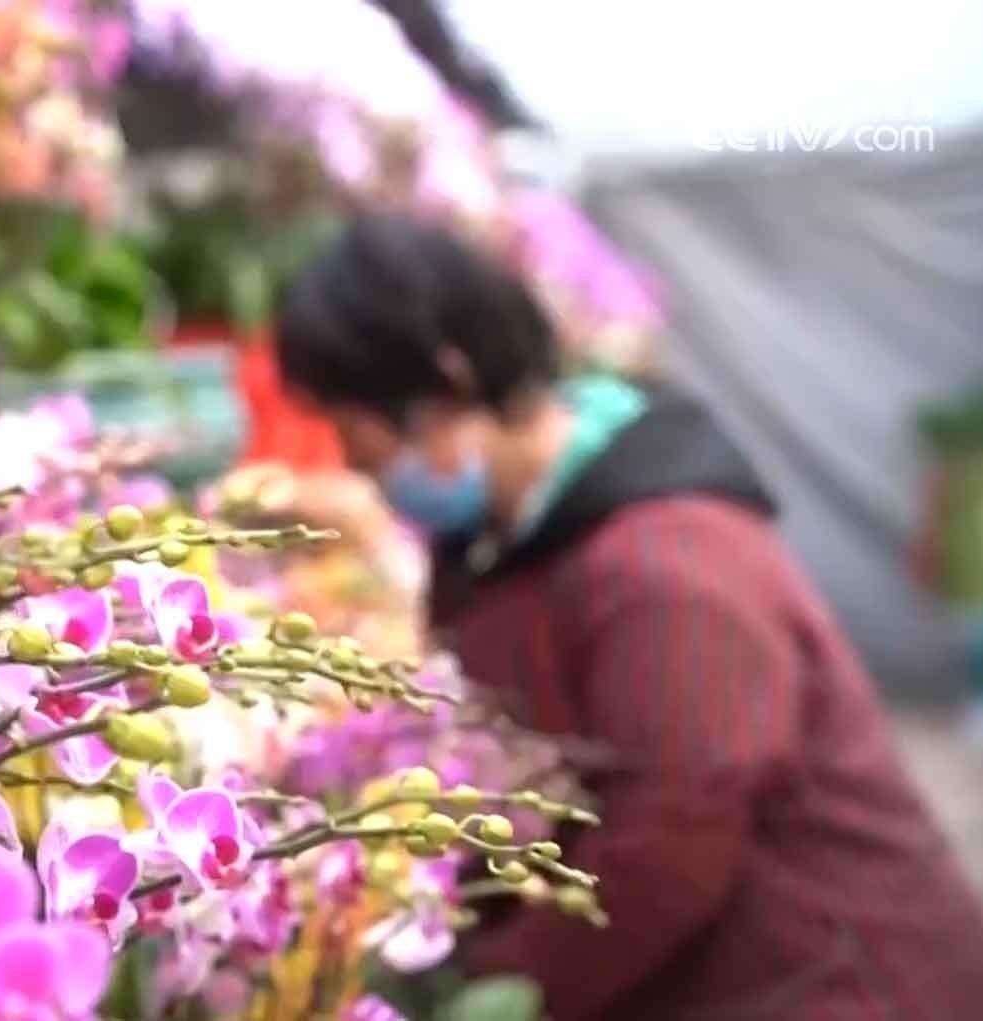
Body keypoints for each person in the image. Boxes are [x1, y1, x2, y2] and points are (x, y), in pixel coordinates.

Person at [275, 210, 983, 1020]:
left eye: (356, 432)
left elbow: (675, 832)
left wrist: (490, 987)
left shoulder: (668, 562)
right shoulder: (502, 543)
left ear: (447, 381)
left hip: (841, 983)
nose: (355, 464)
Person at [912, 384, 983, 746]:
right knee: (972, 639)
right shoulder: (950, 468)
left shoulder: (951, 469)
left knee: (973, 638)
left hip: (966, 567)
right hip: (966, 568)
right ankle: (976, 711)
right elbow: (932, 521)